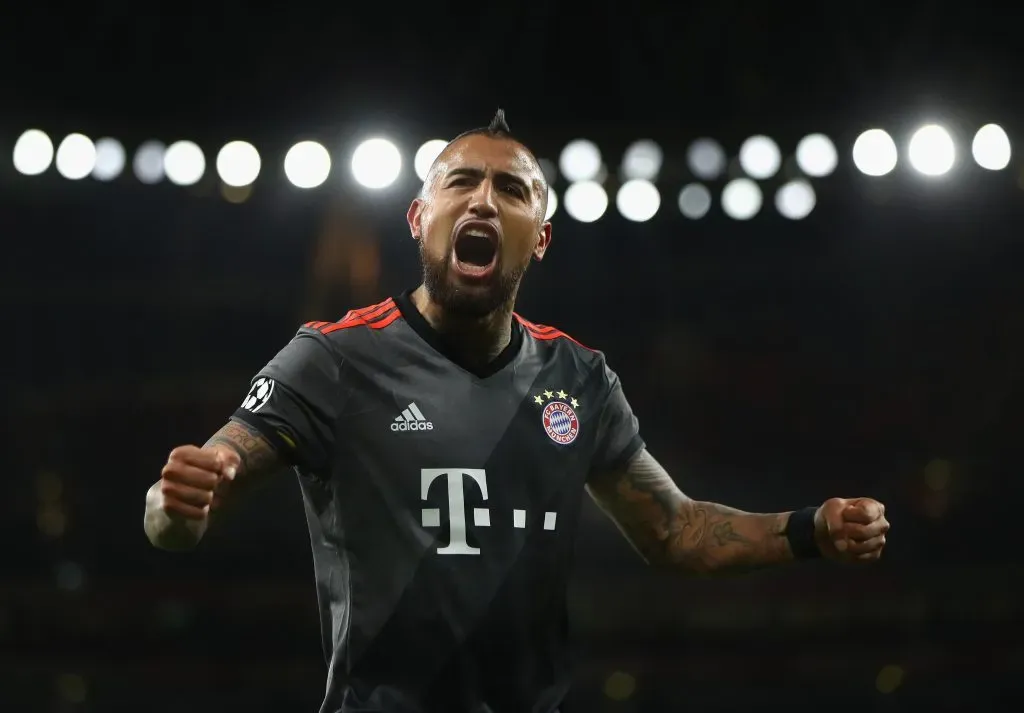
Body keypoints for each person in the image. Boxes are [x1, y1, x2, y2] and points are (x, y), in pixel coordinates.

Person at [143, 109, 890, 713]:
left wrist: (810, 528)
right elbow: (191, 501)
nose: (482, 200)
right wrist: (175, 506)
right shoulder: (334, 358)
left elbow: (675, 530)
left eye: (511, 189)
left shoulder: (580, 377)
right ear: (417, 217)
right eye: (461, 181)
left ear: (540, 238)